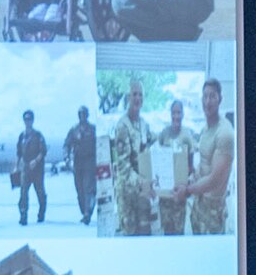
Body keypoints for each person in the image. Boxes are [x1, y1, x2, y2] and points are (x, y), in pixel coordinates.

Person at [171, 77, 235, 235]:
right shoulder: (205, 130)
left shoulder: (225, 133)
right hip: (199, 206)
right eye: (205, 96)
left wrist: (187, 191)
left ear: (220, 99)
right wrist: (191, 177)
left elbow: (214, 180)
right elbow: (203, 166)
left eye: (212, 96)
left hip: (213, 210)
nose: (208, 101)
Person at [109, 80, 155, 236]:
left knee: (145, 235)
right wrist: (143, 183)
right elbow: (123, 168)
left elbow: (149, 149)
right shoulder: (122, 126)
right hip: (127, 196)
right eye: (134, 94)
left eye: (141, 95)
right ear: (128, 97)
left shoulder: (144, 124)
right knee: (130, 240)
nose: (138, 98)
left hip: (142, 194)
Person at [154, 98, 195, 236]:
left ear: (183, 114)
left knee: (178, 232)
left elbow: (191, 164)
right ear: (170, 114)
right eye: (173, 112)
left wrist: (186, 181)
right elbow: (158, 159)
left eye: (179, 112)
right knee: (167, 231)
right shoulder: (164, 133)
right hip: (165, 195)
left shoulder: (187, 135)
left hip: (179, 194)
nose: (176, 116)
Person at [63, 105, 99, 224]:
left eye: (84, 114)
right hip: (78, 163)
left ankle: (87, 213)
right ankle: (84, 210)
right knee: (79, 190)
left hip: (90, 162)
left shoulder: (93, 129)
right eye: (80, 114)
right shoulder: (74, 130)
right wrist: (67, 158)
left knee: (88, 187)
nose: (82, 116)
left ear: (87, 115)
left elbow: (100, 145)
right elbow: (66, 145)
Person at [14, 109, 48, 225]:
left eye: (29, 119)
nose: (27, 121)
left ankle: (41, 213)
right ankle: (23, 216)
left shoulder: (38, 135)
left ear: (32, 120)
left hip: (37, 169)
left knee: (40, 193)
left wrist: (36, 161)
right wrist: (16, 166)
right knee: (23, 192)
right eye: (25, 119)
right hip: (26, 168)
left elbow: (43, 151)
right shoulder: (21, 136)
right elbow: (19, 153)